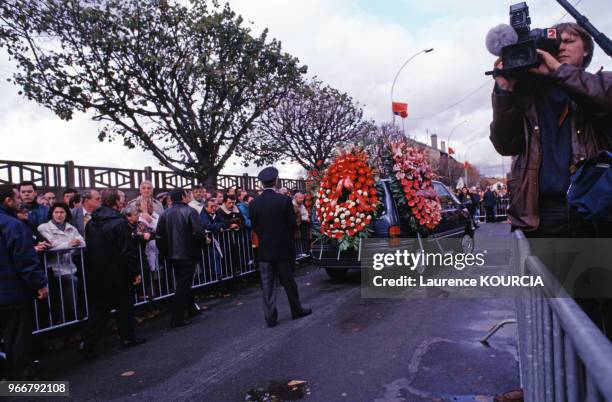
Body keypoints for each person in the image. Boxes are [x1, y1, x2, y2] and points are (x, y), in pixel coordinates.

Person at [490, 22, 611, 236]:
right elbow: (505, 144)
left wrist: (558, 71)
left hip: (594, 208)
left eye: (569, 41)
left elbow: (603, 97)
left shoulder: (600, 84)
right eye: (556, 42)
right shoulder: (527, 94)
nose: (561, 47)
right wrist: (505, 90)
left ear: (586, 50)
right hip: (542, 213)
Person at [79, 189, 144, 359]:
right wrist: (135, 272)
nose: (123, 202)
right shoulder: (119, 223)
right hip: (119, 272)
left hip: (99, 273)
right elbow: (126, 251)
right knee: (125, 307)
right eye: (121, 199)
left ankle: (88, 342)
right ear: (115, 202)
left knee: (100, 310)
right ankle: (127, 337)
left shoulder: (91, 223)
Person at [249, 167, 311, 327]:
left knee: (267, 285)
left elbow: (254, 226)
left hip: (265, 249)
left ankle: (270, 317)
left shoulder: (254, 203)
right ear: (275, 181)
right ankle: (296, 309)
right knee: (288, 282)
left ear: (261, 183)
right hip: (283, 248)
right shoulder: (283, 201)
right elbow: (291, 225)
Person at [0, 185, 48, 380]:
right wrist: (40, 284)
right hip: (12, 290)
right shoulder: (13, 225)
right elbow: (25, 260)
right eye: (17, 197)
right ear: (8, 201)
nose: (21, 201)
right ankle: (21, 375)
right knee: (18, 333)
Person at [156, 189, 206, 328]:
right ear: (183, 197)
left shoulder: (165, 214)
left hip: (173, 255)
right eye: (187, 194)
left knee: (183, 283)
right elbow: (198, 233)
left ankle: (191, 310)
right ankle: (177, 318)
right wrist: (201, 246)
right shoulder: (190, 211)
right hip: (187, 254)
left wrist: (165, 253)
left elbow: (159, 236)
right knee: (183, 285)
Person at [37, 203, 84, 322]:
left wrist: (68, 247)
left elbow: (82, 243)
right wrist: (69, 245)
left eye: (62, 212)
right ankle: (66, 320)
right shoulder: (44, 228)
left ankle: (72, 320)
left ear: (66, 214)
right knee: (60, 298)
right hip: (53, 270)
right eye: (56, 212)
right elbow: (51, 247)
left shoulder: (71, 227)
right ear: (51, 214)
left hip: (70, 267)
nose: (59, 215)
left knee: (70, 296)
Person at [200, 198, 230, 280]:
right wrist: (218, 226)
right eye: (211, 206)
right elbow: (208, 225)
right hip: (208, 243)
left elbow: (225, 223)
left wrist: (218, 226)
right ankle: (216, 275)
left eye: (215, 206)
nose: (214, 208)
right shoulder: (202, 215)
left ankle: (223, 274)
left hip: (217, 240)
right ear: (206, 207)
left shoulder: (216, 212)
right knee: (213, 256)